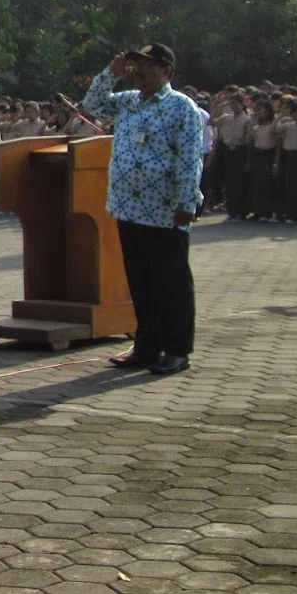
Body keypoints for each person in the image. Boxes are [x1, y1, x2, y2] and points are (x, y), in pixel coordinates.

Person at [81, 44, 203, 376]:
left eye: (148, 66)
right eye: (137, 65)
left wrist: (186, 202)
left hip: (164, 209)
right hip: (128, 207)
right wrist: (111, 73)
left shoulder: (182, 108)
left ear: (167, 71)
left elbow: (191, 159)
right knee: (141, 280)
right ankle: (147, 345)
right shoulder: (128, 102)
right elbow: (91, 105)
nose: (139, 71)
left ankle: (177, 349)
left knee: (172, 282)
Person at [248, 99, 279, 222]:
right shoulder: (257, 125)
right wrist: (253, 121)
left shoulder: (273, 124)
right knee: (256, 184)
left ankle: (268, 211)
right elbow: (250, 137)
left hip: (269, 155)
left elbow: (277, 145)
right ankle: (257, 211)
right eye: (259, 110)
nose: (261, 113)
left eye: (263, 110)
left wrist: (276, 162)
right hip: (257, 154)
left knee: (267, 184)